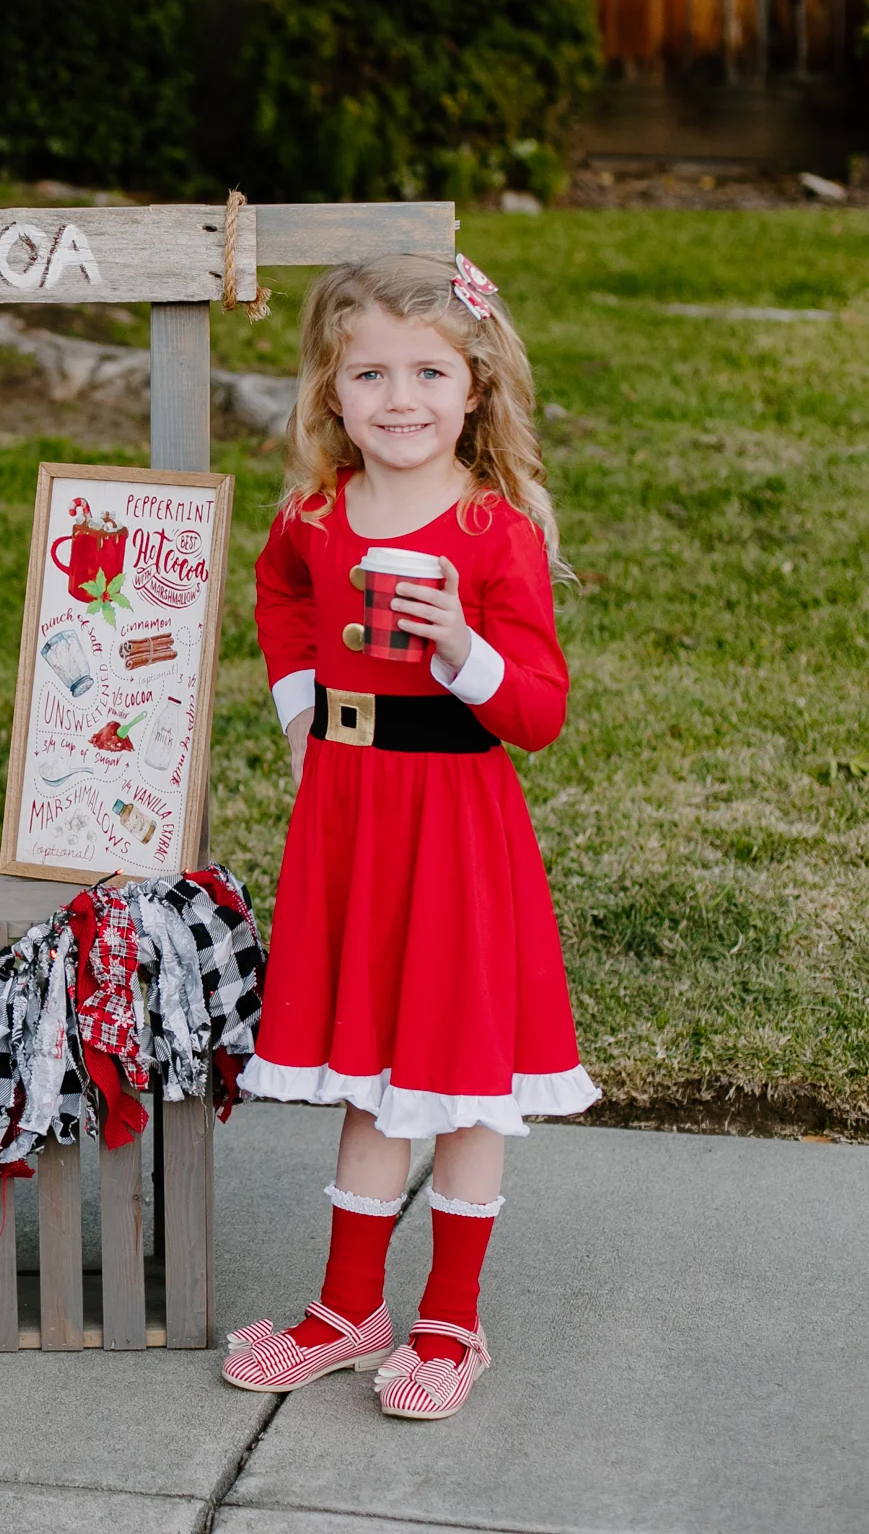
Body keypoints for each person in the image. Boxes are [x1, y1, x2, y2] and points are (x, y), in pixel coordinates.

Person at [221, 252, 596, 1421]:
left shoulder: (491, 531)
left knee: (460, 1081)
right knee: (368, 1068)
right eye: (369, 373)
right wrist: (299, 716)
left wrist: (458, 647)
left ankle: (449, 1318)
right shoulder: (313, 515)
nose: (399, 399)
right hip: (349, 821)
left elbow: (536, 711)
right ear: (329, 391)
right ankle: (347, 1309)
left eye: (428, 373)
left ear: (473, 387)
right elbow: (280, 596)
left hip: (454, 827)